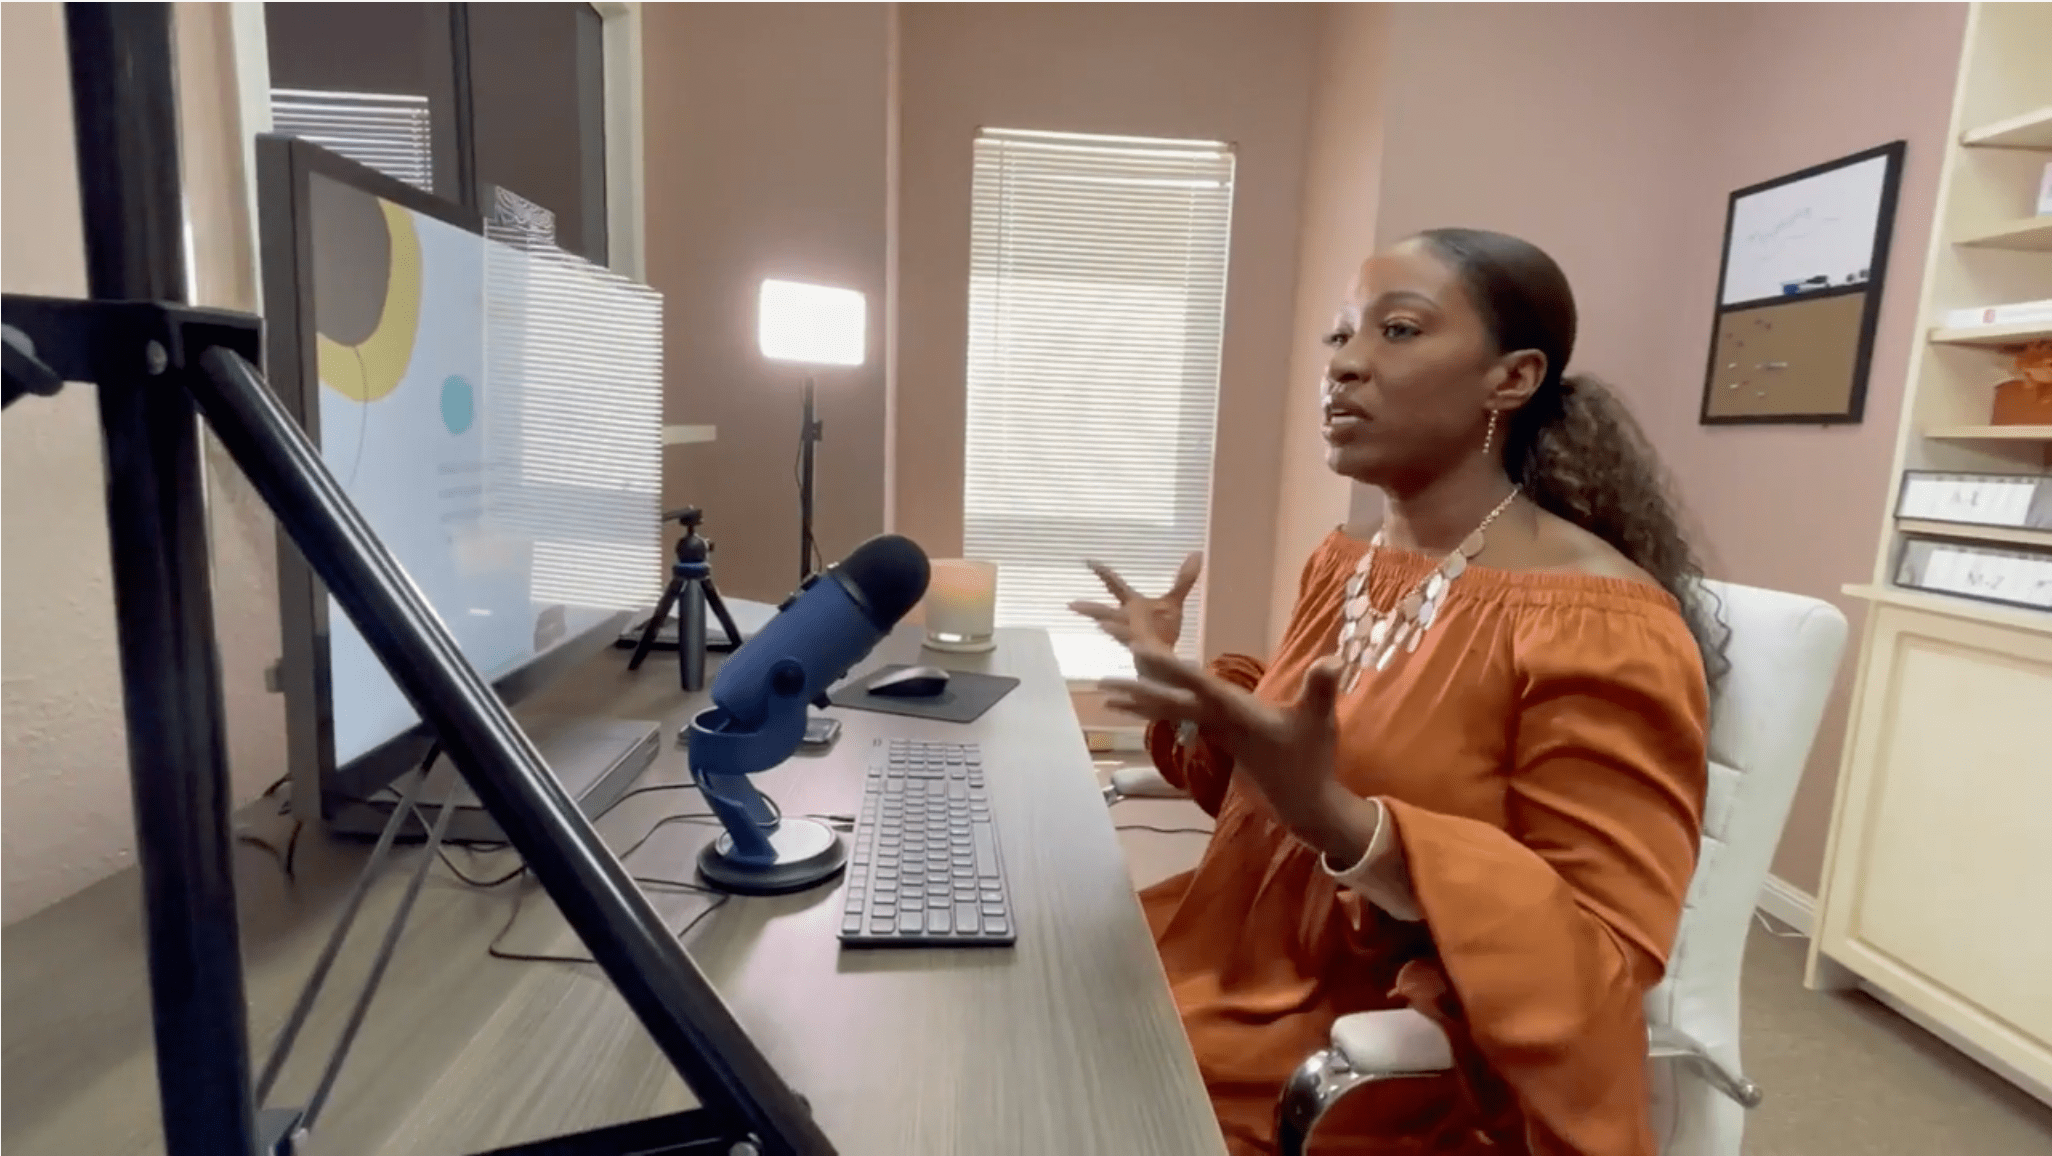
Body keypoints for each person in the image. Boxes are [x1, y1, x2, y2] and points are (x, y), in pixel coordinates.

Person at [1071, 228, 1728, 1156]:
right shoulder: (1348, 561)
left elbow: (1600, 960)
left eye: (1400, 330)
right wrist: (1175, 689)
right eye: (1340, 335)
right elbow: (1264, 812)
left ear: (1513, 378)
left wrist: (1349, 824)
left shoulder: (1600, 623)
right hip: (1228, 963)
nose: (1344, 365)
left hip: (1379, 1058)